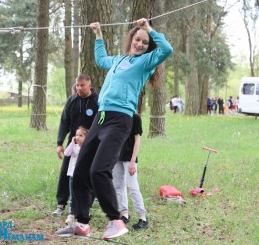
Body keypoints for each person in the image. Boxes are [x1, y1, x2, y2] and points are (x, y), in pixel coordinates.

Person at [55, 18, 173, 240]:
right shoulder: (119, 60)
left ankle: (116, 220)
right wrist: (98, 33)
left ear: (148, 47)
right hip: (100, 118)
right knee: (80, 170)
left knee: (99, 169)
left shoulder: (146, 62)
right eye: (137, 39)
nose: (140, 44)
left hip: (120, 119)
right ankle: (81, 223)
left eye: (145, 42)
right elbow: (100, 59)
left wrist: (149, 28)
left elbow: (167, 49)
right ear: (131, 39)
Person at [52, 74, 99, 217]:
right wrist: (60, 143)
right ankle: (61, 204)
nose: (79, 88)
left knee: (89, 173)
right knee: (66, 171)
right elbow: (64, 122)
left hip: (91, 144)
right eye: (77, 85)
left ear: (89, 85)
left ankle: (88, 203)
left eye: (82, 85)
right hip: (73, 143)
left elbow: (102, 122)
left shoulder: (98, 101)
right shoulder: (71, 101)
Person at [112, 113, 148, 230]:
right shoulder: (115, 116)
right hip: (116, 156)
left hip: (129, 157)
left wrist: (133, 161)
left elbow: (137, 139)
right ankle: (124, 214)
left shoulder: (135, 117)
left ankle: (142, 218)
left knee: (133, 187)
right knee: (118, 186)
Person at [63, 126, 89, 224]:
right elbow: (66, 153)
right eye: (76, 135)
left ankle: (84, 212)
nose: (77, 137)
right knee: (72, 195)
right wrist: (72, 142)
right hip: (72, 174)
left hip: (83, 176)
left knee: (83, 195)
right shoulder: (74, 146)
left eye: (81, 135)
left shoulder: (87, 147)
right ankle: (71, 214)